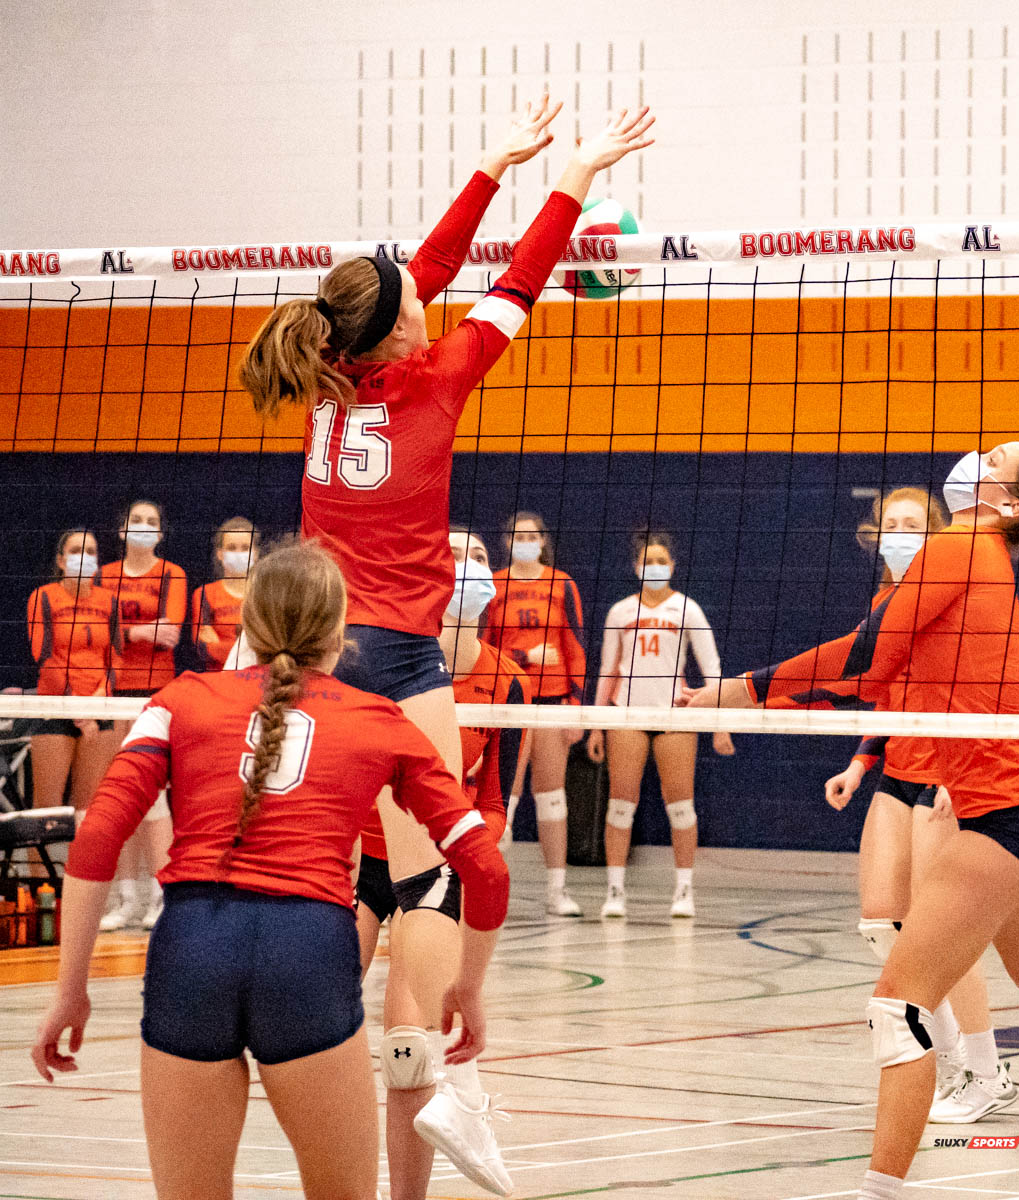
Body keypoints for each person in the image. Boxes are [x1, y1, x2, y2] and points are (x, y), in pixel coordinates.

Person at [238, 96, 653, 1191]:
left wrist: (490, 166)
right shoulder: (438, 377)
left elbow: (410, 277)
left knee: (359, 884)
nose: (430, 297)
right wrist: (571, 179)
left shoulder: (331, 377)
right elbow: (520, 279)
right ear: (400, 332)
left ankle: (358, 1069)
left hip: (312, 661)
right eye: (416, 302)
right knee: (438, 881)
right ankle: (452, 1075)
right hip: (397, 659)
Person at [31, 541, 510, 1200]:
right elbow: (485, 869)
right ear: (340, 634)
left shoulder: (177, 700)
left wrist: (70, 991)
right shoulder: (381, 720)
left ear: (247, 626)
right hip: (306, 954)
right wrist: (469, 987)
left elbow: (95, 840)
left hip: (191, 952)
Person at [678, 442, 1019, 1200]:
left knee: (897, 1006)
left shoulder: (961, 545)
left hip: (1009, 811)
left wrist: (742, 689)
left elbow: (861, 657)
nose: (978, 457)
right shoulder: (974, 554)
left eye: (996, 458)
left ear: (1008, 503)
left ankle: (878, 1190)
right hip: (1017, 801)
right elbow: (878, 676)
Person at [824, 488, 1009, 1122]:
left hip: (947, 771)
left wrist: (967, 769)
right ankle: (954, 1062)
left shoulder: (955, 594)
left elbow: (982, 686)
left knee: (942, 932)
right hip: (898, 770)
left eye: (914, 524)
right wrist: (859, 763)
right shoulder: (885, 601)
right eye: (891, 524)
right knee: (883, 922)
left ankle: (987, 1073)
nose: (900, 533)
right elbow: (887, 695)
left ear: (938, 534)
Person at [355, 527, 530, 1198]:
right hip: (358, 861)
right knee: (316, 1029)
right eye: (453, 555)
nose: (466, 567)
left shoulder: (508, 679)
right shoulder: (378, 659)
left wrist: (468, 845)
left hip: (436, 865)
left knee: (407, 1051)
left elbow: (494, 798)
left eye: (479, 557)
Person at [586, 530, 733, 919]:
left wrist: (720, 724)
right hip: (627, 714)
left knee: (681, 806)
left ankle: (684, 890)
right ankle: (615, 891)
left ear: (673, 566)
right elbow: (608, 670)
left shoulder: (687, 609)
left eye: (661, 561)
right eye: (647, 561)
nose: (654, 567)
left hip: (674, 714)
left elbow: (712, 668)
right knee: (621, 805)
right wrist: (596, 725)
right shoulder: (620, 612)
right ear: (636, 567)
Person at [484, 511, 587, 916]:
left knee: (552, 798)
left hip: (552, 701)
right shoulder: (494, 584)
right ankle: (487, 887)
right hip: (509, 700)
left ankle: (557, 891)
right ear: (507, 541)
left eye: (532, 536)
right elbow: (483, 646)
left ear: (543, 541)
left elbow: (575, 645)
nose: (525, 542)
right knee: (502, 799)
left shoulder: (562, 584)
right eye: (517, 536)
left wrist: (576, 706)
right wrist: (525, 656)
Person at [97, 499, 187, 931]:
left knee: (155, 796)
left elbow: (170, 634)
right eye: (137, 520)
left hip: (157, 691)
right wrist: (137, 631)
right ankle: (127, 898)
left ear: (161, 533)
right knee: (123, 794)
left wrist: (124, 632)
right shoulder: (104, 576)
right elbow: (99, 634)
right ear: (122, 529)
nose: (144, 526)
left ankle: (160, 893)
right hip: (112, 690)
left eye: (152, 521)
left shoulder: (172, 574)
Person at [25, 529, 121, 826]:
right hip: (56, 709)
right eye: (76, 551)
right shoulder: (43, 596)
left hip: (98, 710)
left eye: (90, 552)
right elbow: (45, 657)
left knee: (90, 810)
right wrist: (78, 709)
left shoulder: (110, 600)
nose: (84, 557)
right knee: (47, 813)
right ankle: (40, 860)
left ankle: (82, 861)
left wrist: (97, 702)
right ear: (61, 560)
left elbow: (116, 657)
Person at [191, 517, 258, 671]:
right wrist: (249, 651)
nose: (238, 553)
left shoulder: (266, 594)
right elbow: (202, 650)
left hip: (256, 678)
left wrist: (218, 646)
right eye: (232, 548)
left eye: (245, 548)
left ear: (255, 553)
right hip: (217, 677)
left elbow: (271, 649)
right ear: (220, 554)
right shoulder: (205, 593)